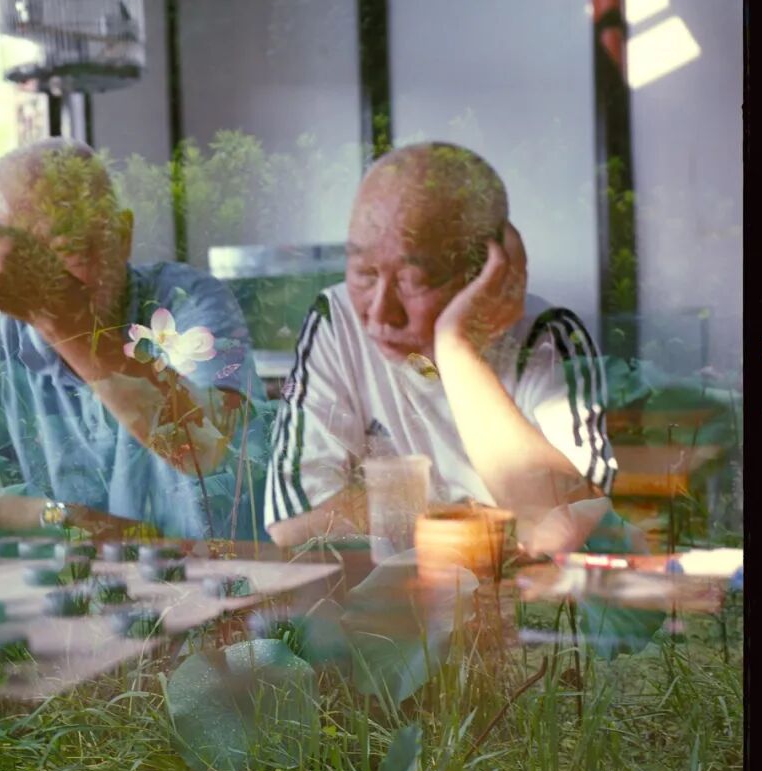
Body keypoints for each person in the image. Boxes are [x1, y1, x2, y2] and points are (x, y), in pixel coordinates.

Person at [0, 138, 267, 541]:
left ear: (123, 236)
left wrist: (57, 316)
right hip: (99, 579)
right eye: (20, 259)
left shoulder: (186, 302)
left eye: (66, 247)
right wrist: (64, 518)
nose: (40, 277)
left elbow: (204, 448)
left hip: (227, 573)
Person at [265, 142, 619, 552]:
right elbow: (293, 522)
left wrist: (456, 349)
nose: (380, 314)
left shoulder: (548, 337)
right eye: (363, 273)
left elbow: (571, 529)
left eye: (412, 281)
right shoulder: (337, 321)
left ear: (484, 272)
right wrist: (469, 521)